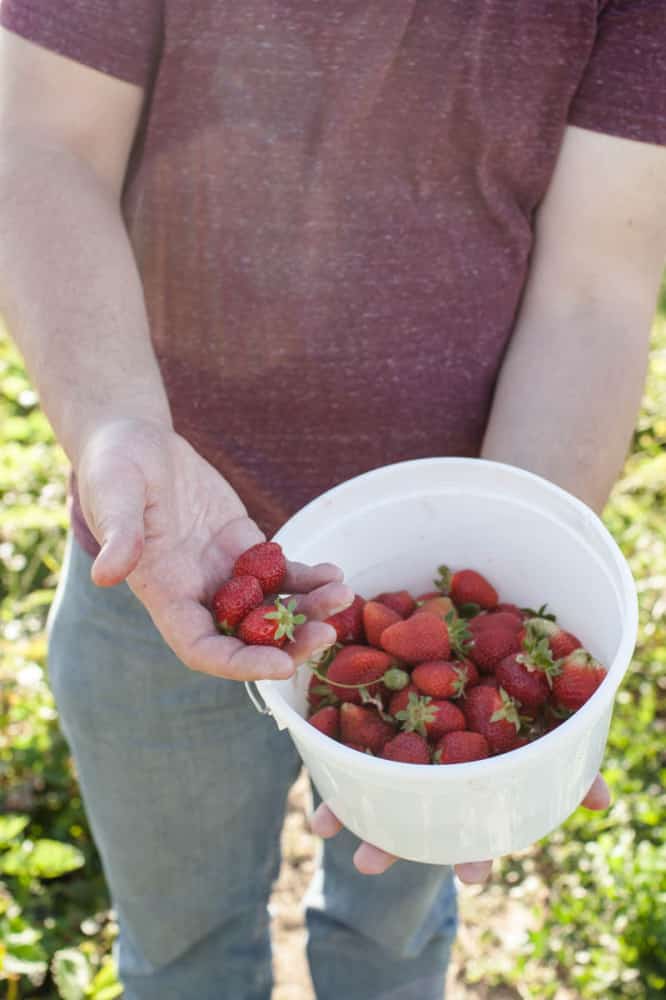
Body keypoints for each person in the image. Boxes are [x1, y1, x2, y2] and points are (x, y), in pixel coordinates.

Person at [1, 2, 664, 998]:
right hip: (161, 551)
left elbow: (594, 286)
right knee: (182, 954)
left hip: (442, 565)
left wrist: (510, 574)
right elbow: (40, 143)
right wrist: (116, 427)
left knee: (393, 947)